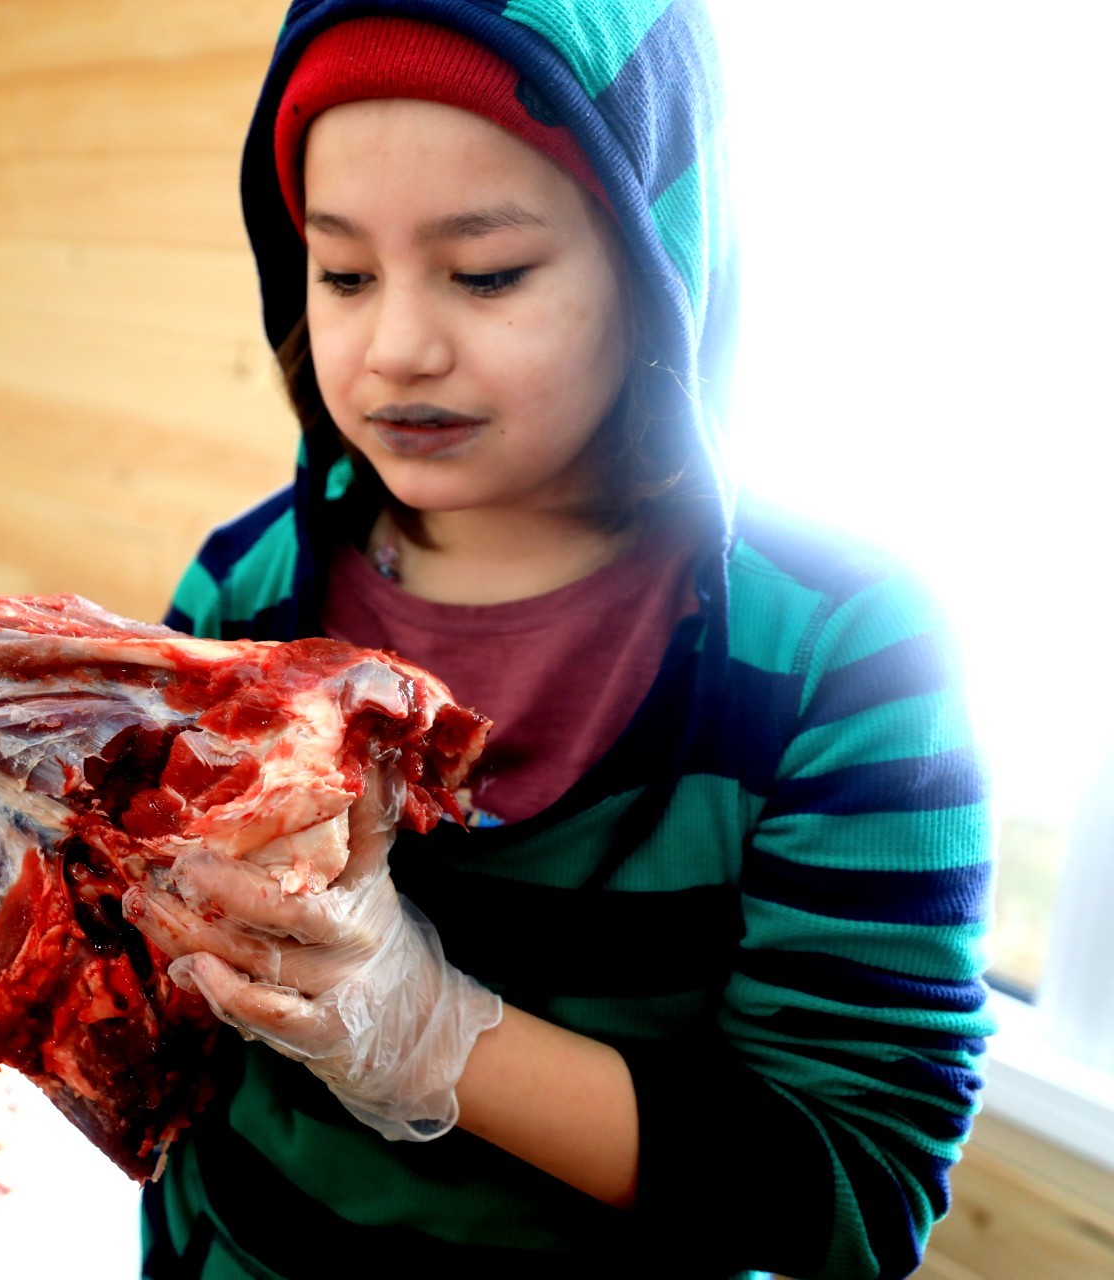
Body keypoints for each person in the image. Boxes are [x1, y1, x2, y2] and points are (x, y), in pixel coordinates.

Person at [126, 3, 994, 1278]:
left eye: (487, 273)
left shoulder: (842, 655)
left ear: (656, 267)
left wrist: (435, 1034)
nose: (398, 347)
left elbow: (856, 1185)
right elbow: (145, 985)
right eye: (345, 271)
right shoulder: (246, 588)